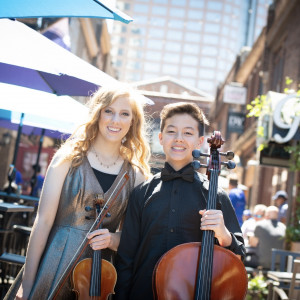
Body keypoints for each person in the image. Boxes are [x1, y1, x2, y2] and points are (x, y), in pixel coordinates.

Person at [4, 85, 151, 300]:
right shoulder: (67, 158)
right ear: (98, 113)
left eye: (124, 114)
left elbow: (130, 238)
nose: (115, 120)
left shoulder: (136, 175)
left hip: (97, 280)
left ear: (133, 122)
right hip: (52, 267)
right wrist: (27, 284)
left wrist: (112, 239)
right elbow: (43, 222)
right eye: (108, 111)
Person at [115, 102, 245, 300]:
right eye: (172, 131)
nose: (178, 139)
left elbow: (238, 255)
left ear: (200, 141)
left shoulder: (215, 195)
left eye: (187, 133)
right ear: (161, 138)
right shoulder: (141, 194)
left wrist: (224, 235)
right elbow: (126, 259)